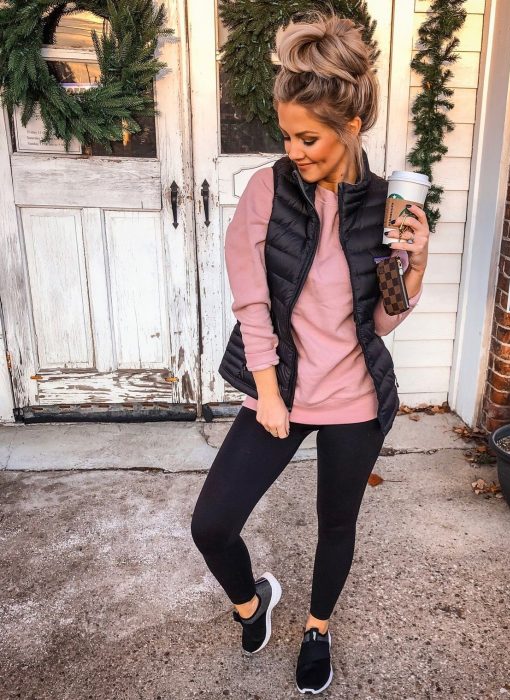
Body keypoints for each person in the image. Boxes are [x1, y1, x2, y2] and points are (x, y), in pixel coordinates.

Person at [191, 10, 429, 695]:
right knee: (212, 523)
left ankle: (317, 625)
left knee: (337, 523)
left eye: (310, 137)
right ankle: (251, 601)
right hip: (281, 388)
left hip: (355, 397)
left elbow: (380, 321)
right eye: (288, 134)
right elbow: (251, 300)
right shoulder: (267, 190)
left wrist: (413, 266)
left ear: (351, 128)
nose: (294, 149)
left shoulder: (386, 205)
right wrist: (267, 389)